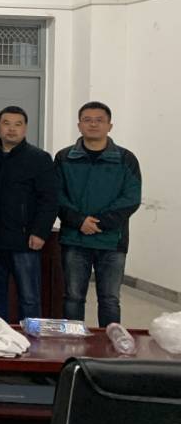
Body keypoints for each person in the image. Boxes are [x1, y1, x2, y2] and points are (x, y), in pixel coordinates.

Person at [56, 101, 142, 327]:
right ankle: (72, 341)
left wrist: (99, 223)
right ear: (79, 125)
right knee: (73, 297)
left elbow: (131, 198)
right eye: (87, 120)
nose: (93, 124)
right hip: (74, 239)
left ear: (109, 126)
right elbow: (56, 195)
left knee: (110, 300)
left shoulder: (125, 158)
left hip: (112, 241)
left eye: (99, 120)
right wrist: (79, 221)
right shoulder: (64, 157)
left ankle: (109, 344)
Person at [0, 106, 58, 322]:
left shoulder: (39, 158)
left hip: (25, 240)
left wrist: (40, 232)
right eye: (6, 123)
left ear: (25, 128)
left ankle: (32, 339)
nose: (11, 129)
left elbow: (49, 199)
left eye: (17, 124)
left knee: (29, 296)